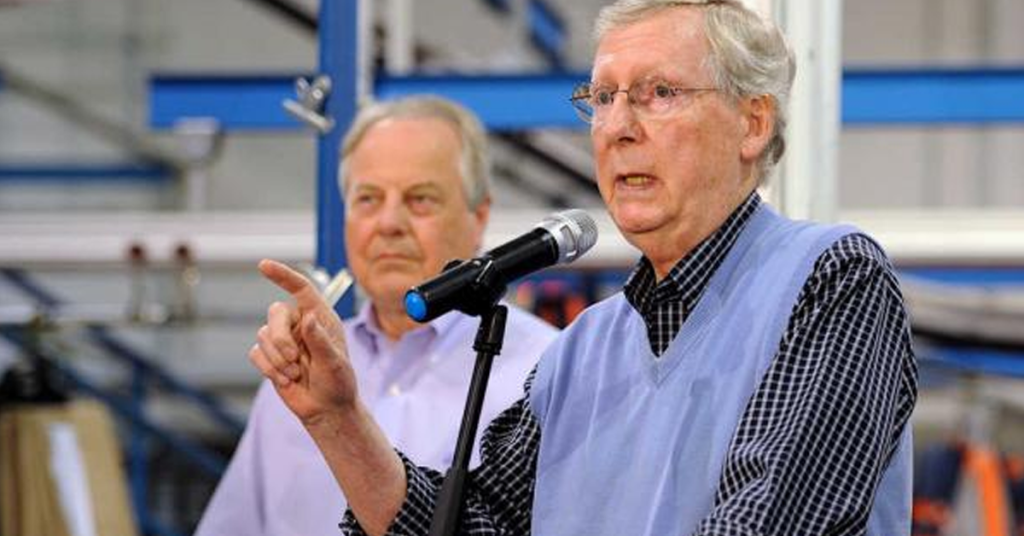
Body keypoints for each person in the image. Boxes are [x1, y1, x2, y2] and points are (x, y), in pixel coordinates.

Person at [251, 1, 918, 535]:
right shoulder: (580, 355)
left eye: (657, 92)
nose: (617, 127)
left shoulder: (831, 281)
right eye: (602, 97)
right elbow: (473, 524)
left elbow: (767, 521)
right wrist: (338, 419)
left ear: (751, 123)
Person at [195, 96, 558, 536]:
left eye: (420, 199)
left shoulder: (546, 372)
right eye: (368, 199)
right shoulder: (295, 376)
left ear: (478, 217)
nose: (389, 222)